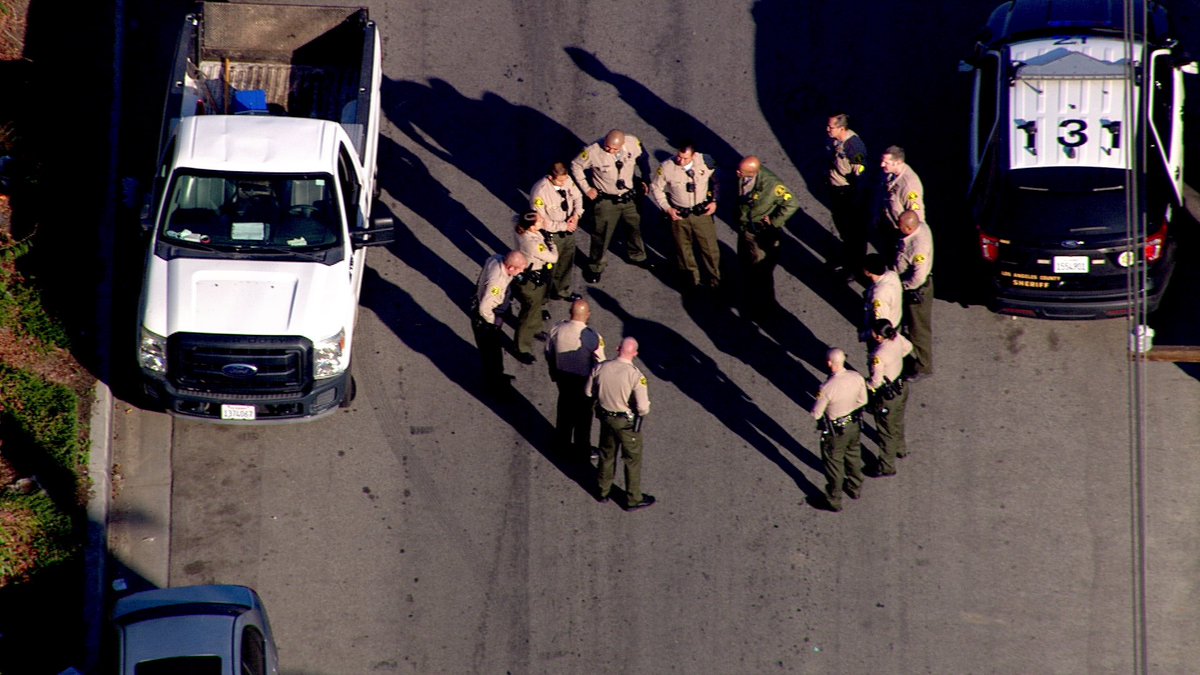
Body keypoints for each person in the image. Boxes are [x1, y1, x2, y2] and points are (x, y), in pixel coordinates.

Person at [570, 129, 650, 282]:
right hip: (606, 199)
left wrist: (646, 177)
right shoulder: (593, 151)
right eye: (608, 147)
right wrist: (587, 188)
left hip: (629, 197)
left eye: (614, 149)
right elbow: (576, 165)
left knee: (634, 227)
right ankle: (595, 266)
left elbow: (643, 157)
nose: (610, 151)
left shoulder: (633, 143)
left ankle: (637, 255)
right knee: (601, 233)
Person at [586, 337, 654, 510]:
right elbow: (643, 408)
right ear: (635, 354)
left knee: (606, 454)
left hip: (606, 418)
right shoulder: (635, 376)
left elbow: (588, 392)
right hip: (626, 424)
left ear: (617, 348)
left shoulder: (600, 367)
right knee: (632, 459)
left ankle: (603, 490)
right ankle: (633, 498)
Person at [649, 140, 720, 290]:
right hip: (679, 214)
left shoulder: (705, 162)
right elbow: (656, 188)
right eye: (679, 156)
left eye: (685, 158)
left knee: (710, 250)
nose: (680, 160)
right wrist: (667, 208)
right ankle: (692, 282)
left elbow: (717, 181)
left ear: (693, 156)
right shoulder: (667, 167)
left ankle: (715, 281)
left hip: (702, 213)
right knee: (683, 250)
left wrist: (714, 201)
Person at [736, 156, 800, 317]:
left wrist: (774, 221)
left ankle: (764, 307)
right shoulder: (745, 176)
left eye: (741, 171)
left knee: (761, 272)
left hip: (760, 233)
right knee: (746, 262)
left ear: (754, 172)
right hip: (746, 227)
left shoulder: (772, 185)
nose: (737, 173)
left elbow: (792, 204)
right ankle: (749, 294)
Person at [546, 299, 607, 461]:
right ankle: (582, 449)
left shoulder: (557, 329)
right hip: (583, 380)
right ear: (587, 315)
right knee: (583, 417)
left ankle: (561, 444)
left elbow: (549, 351)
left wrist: (553, 371)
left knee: (564, 410)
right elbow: (600, 363)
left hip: (563, 377)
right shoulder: (592, 336)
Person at [810, 348, 868, 511]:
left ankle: (833, 499)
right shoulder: (856, 377)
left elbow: (816, 413)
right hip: (853, 424)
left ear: (830, 363)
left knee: (834, 463)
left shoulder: (827, 387)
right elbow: (863, 400)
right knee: (853, 454)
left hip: (836, 431)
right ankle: (855, 487)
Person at [472, 250, 528, 392]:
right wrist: (492, 324)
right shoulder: (497, 283)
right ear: (510, 268)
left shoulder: (497, 259)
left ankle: (497, 376)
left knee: (494, 354)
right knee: (492, 354)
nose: (522, 272)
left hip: (484, 311)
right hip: (485, 321)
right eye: (521, 269)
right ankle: (495, 386)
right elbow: (485, 308)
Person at [530, 162, 584, 301]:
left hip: (568, 230)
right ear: (550, 177)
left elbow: (577, 197)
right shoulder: (540, 192)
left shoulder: (566, 180)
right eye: (560, 180)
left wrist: (576, 215)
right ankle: (542, 300)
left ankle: (562, 290)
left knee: (566, 262)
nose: (564, 183)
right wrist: (563, 226)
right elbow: (540, 221)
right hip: (551, 235)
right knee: (548, 269)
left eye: (565, 179)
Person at [866, 319, 913, 476]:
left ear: (879, 336)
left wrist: (865, 385)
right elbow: (908, 348)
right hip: (901, 387)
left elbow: (876, 382)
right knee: (898, 421)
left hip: (888, 396)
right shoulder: (897, 338)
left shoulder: (879, 355)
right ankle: (901, 448)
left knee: (886, 430)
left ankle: (887, 466)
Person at [511, 211, 558, 364]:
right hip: (532, 280)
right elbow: (553, 257)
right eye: (539, 221)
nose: (542, 221)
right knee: (529, 311)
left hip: (533, 275)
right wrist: (552, 244)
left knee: (536, 305)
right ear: (531, 228)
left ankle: (536, 327)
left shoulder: (521, 229)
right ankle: (521, 346)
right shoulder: (532, 244)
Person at [826, 114, 869, 278]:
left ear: (842, 128)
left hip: (847, 194)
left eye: (831, 127)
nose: (827, 129)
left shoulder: (854, 148)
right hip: (836, 189)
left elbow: (860, 176)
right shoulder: (836, 140)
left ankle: (855, 267)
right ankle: (846, 257)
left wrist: (854, 199)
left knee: (853, 233)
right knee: (842, 227)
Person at [893, 210, 934, 379]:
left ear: (909, 228)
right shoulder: (921, 227)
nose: (897, 226)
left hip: (916, 290)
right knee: (911, 323)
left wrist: (901, 286)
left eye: (900, 225)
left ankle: (924, 366)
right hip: (909, 285)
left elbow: (918, 277)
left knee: (919, 330)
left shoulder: (918, 249)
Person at [860, 253, 902, 341]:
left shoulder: (879, 296)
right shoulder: (892, 274)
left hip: (885, 330)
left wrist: (866, 335)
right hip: (896, 318)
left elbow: (880, 322)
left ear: (868, 272)